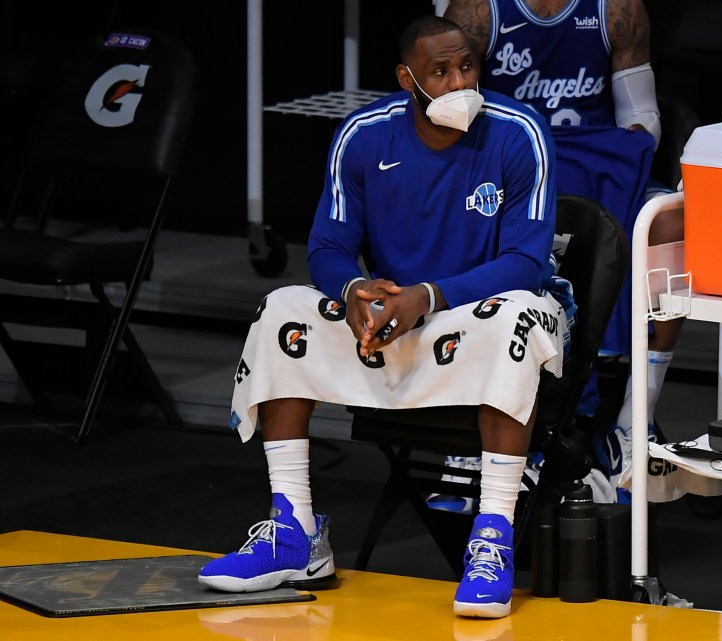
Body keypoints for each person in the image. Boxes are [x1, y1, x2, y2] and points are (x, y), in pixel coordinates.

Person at [197, 15, 563, 620]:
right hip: (396, 319)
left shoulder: (519, 131)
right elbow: (327, 248)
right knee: (283, 309)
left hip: (478, 313)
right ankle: (295, 530)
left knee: (516, 316)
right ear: (406, 78)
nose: (458, 83)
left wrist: (427, 295)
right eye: (439, 72)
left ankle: (492, 534)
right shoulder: (363, 135)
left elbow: (527, 263)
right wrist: (355, 293)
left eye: (467, 67)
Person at [439, 0, 684, 504]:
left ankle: (633, 423)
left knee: (670, 222)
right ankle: (467, 429)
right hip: (508, 169)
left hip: (592, 171)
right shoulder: (478, 13)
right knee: (463, 212)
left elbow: (641, 114)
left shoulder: (617, 9)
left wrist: (618, 152)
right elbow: (454, 120)